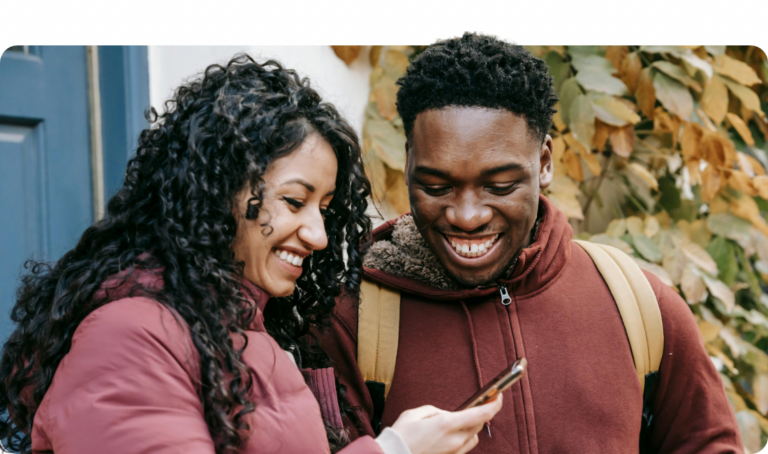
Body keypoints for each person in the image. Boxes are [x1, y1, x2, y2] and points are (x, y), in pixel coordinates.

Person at [0, 55, 502, 454]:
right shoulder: (129, 338)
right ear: (217, 191)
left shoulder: (255, 330)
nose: (319, 235)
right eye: (293, 201)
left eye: (324, 208)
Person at [317, 34, 744, 453]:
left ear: (544, 163)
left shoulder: (640, 305)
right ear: (408, 161)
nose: (467, 216)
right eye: (436, 185)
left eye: (500, 186)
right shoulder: (352, 320)